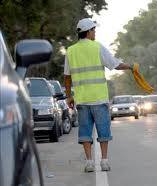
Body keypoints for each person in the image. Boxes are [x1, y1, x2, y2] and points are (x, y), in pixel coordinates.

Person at [64, 18, 133, 172]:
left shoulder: (70, 51)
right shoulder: (97, 47)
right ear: (88, 32)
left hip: (82, 100)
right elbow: (115, 64)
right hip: (99, 99)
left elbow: (67, 77)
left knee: (85, 132)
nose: (95, 32)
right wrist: (131, 66)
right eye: (94, 30)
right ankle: (104, 161)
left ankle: (89, 162)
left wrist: (69, 96)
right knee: (103, 131)